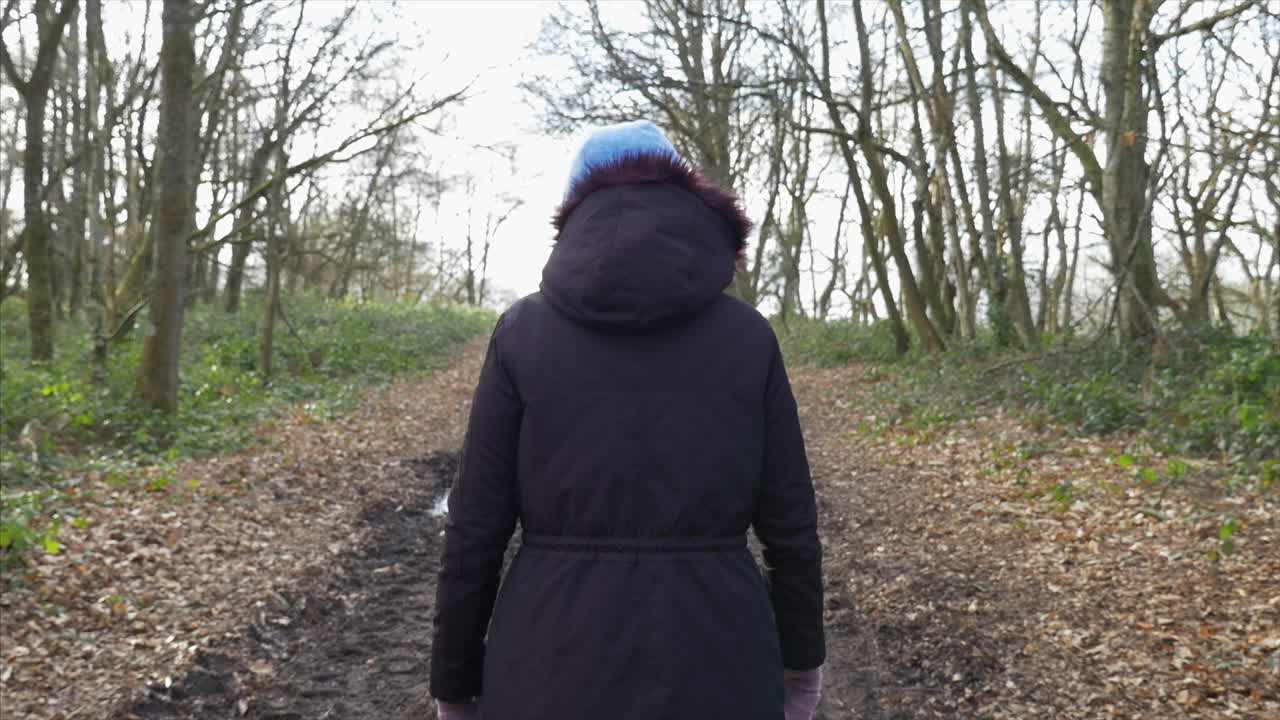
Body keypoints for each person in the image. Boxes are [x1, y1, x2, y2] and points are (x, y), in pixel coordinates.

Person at [429, 120, 825, 720]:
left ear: (574, 209)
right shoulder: (748, 338)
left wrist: (453, 678)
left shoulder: (522, 334)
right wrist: (802, 658)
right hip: (721, 661)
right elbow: (790, 523)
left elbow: (475, 529)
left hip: (546, 665)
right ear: (687, 196)